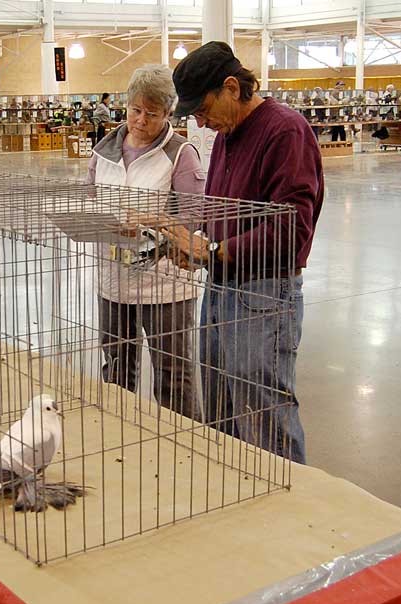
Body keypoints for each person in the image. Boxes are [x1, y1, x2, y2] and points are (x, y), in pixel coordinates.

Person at [159, 41, 324, 463]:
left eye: (203, 109)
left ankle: (290, 496)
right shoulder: (226, 135)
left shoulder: (285, 130)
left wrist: (214, 249)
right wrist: (194, 245)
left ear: (232, 87)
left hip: (262, 294)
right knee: (221, 408)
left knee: (263, 412)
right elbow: (221, 210)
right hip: (221, 288)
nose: (201, 121)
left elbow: (291, 227)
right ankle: (235, 492)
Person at [87, 64, 206, 419]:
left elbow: (196, 216)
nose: (140, 120)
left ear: (168, 113)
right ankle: (119, 430)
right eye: (135, 110)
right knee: (117, 365)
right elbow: (88, 200)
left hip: (165, 285)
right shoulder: (103, 150)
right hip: (113, 279)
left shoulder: (181, 153)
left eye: (151, 114)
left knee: (172, 373)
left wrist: (153, 226)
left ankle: (183, 438)